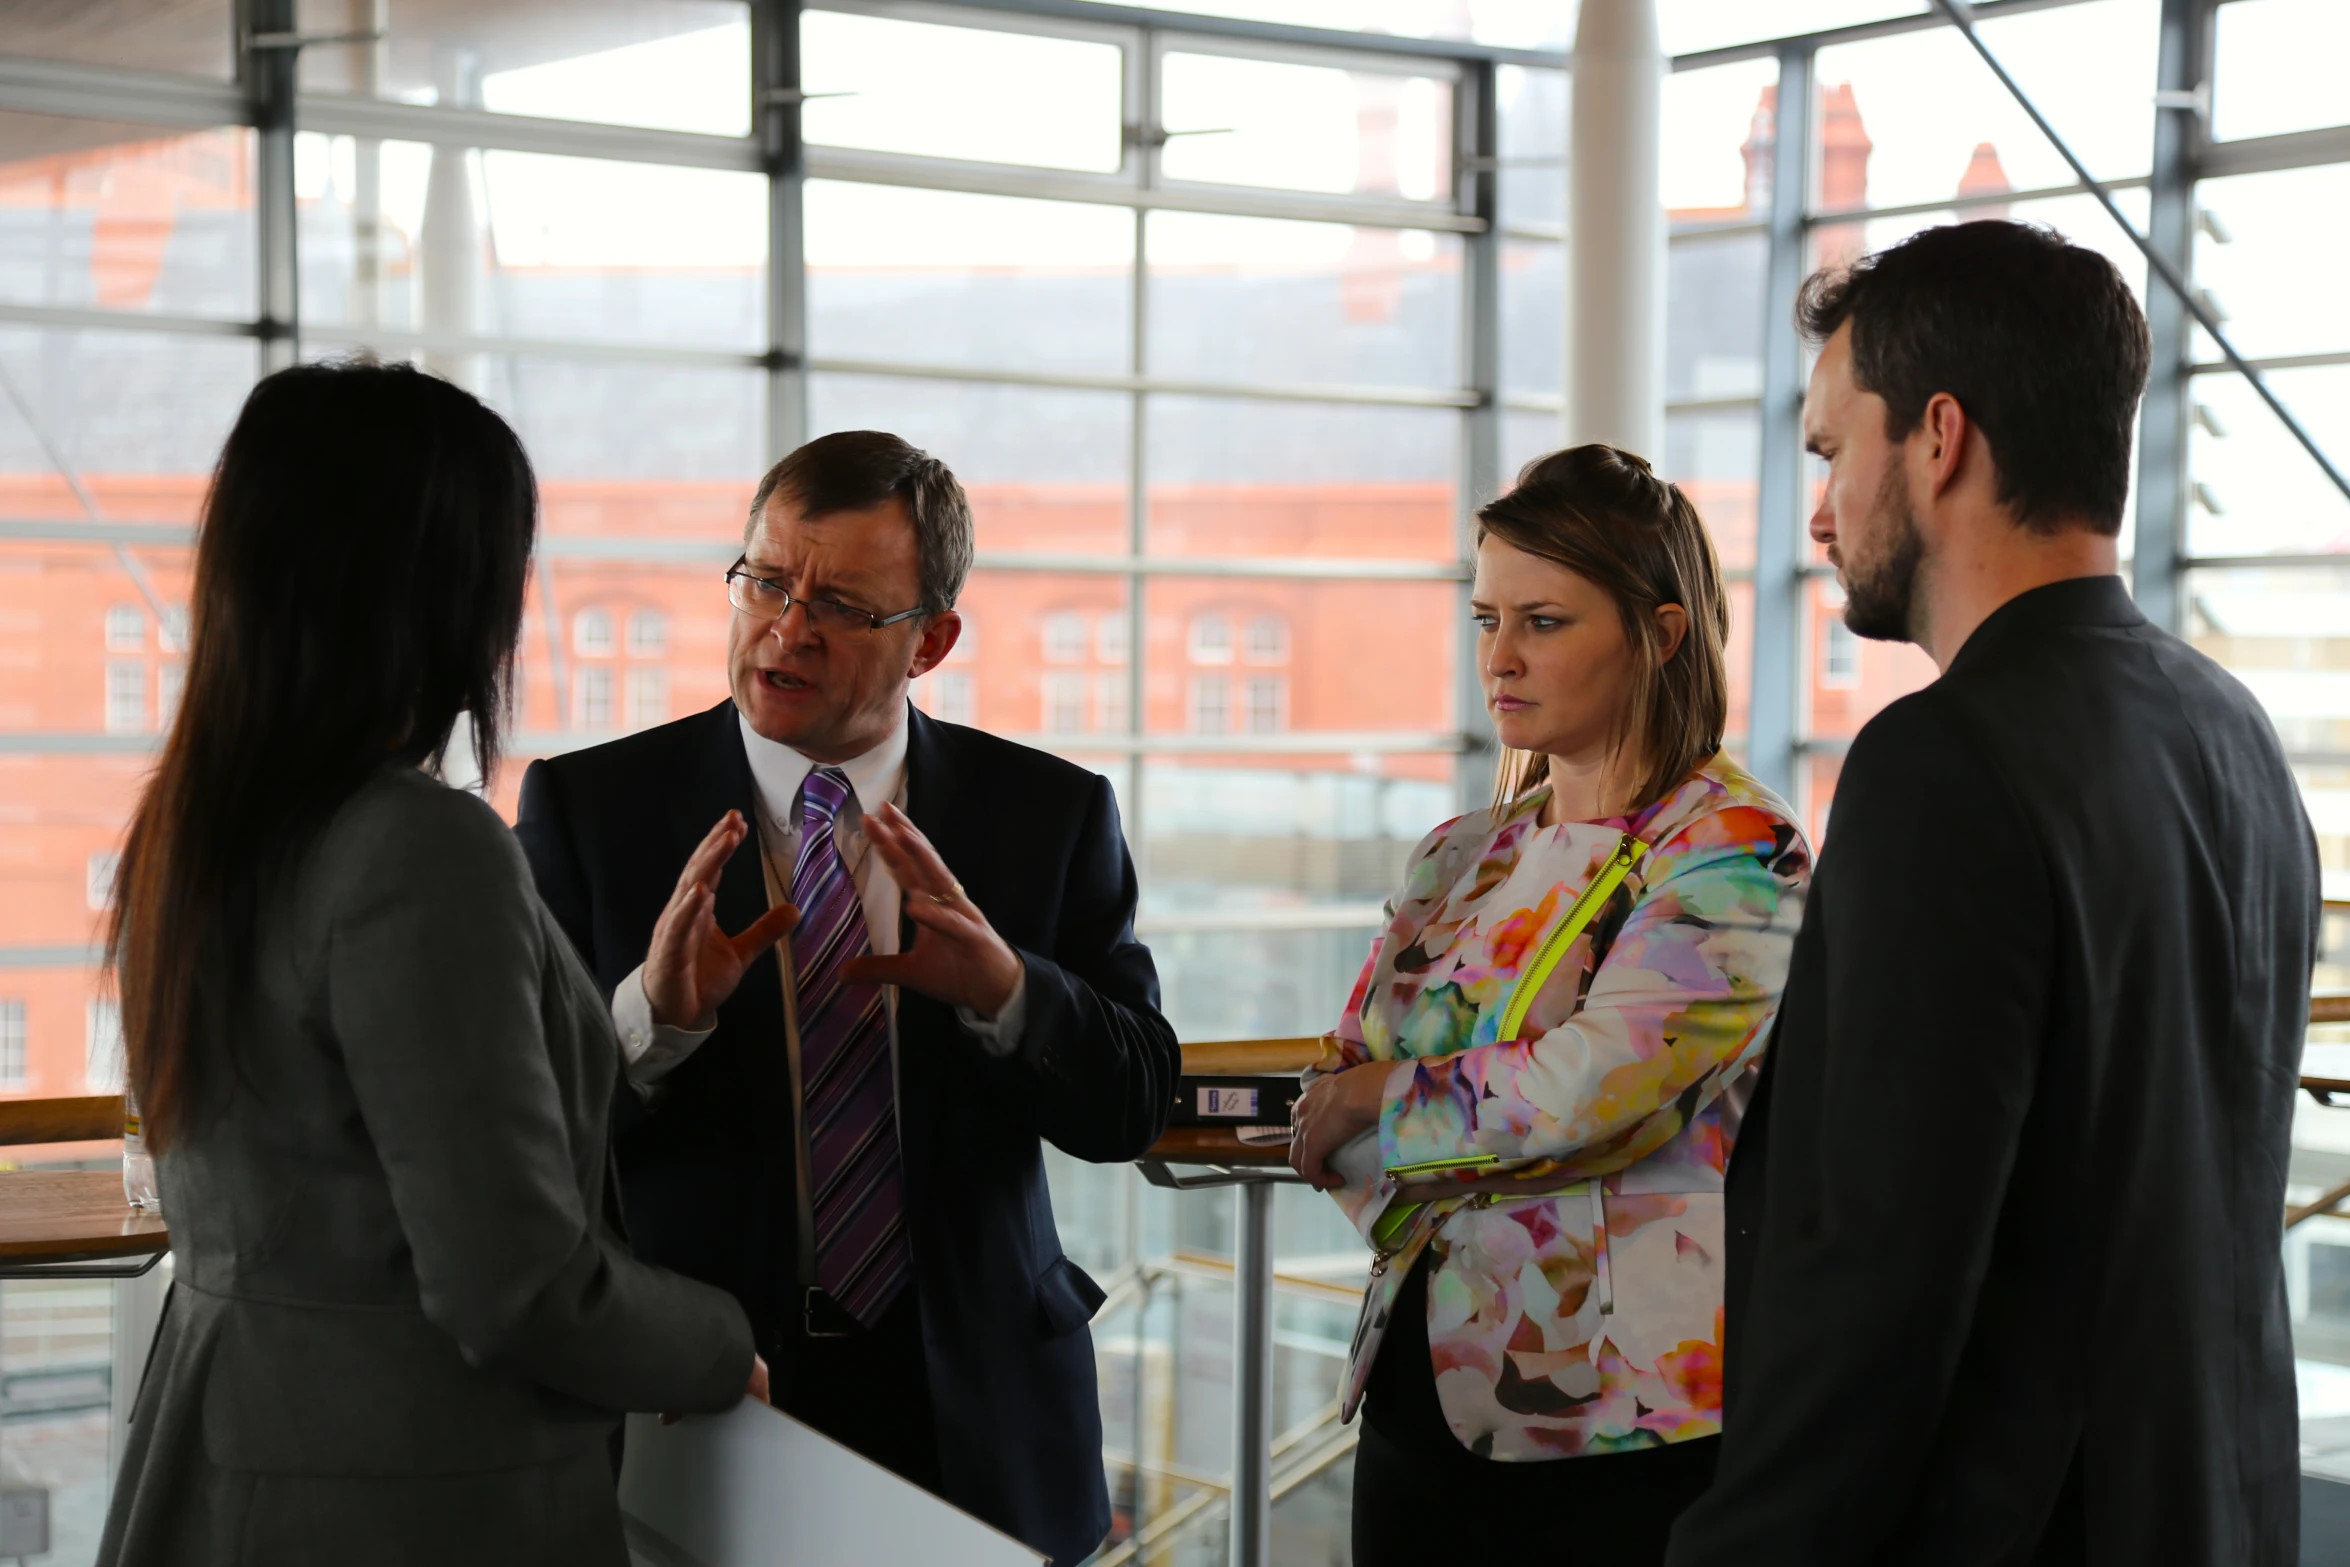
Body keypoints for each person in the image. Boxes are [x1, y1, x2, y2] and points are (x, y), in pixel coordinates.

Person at [1666, 221, 2323, 1565]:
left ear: (1939, 437)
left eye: (1830, 448)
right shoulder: (2231, 731)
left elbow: (1879, 1272)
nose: (1818, 507)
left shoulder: (1944, 757)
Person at [95, 363, 763, 1567]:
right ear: (436, 588)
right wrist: (718, 1343)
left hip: (225, 1461)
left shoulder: (191, 830)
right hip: (417, 1499)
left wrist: (646, 1024)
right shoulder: (417, 842)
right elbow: (512, 1283)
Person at [515, 428, 1178, 1567]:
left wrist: (1014, 994)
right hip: (710, 1395)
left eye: (842, 606)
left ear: (931, 640)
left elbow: (1132, 1101)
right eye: (767, 581)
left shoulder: (1046, 814)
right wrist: (651, 1023)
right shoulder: (591, 808)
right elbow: (518, 1130)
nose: (787, 627)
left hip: (980, 1409)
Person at [1287, 444, 1812, 1566]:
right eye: (1486, 618)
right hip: (1421, 1384)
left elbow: (1600, 1085)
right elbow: (1342, 1075)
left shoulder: (1734, 848)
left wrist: (1397, 1101)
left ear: (1660, 634)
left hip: (1616, 1426)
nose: (1499, 657)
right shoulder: (1462, 854)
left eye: (1544, 621)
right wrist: (1409, 1109)